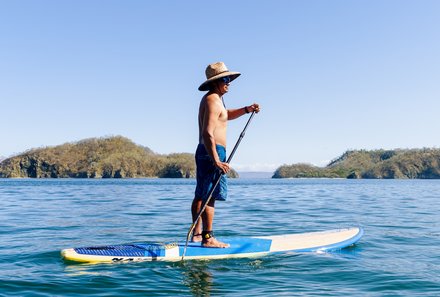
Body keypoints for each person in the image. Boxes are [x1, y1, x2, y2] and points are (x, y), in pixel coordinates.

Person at [192, 62, 260, 248]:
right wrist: (216, 159)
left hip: (205, 150)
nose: (229, 82)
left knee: (201, 194)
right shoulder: (213, 100)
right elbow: (208, 132)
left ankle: (197, 235)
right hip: (212, 151)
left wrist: (246, 109)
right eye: (225, 79)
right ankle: (208, 238)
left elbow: (226, 115)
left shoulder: (214, 100)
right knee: (209, 196)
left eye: (229, 79)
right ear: (215, 82)